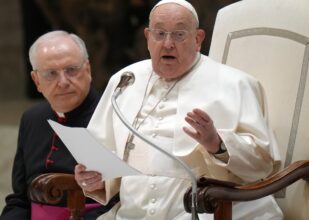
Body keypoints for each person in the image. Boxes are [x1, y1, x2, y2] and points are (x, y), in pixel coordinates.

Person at [75, 0, 284, 219]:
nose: (167, 44)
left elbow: (262, 165)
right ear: (147, 37)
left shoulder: (236, 84)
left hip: (204, 212)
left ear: (198, 39)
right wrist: (95, 178)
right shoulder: (125, 80)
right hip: (131, 213)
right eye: (159, 34)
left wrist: (218, 145)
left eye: (179, 34)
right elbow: (101, 157)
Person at [0, 30, 114, 220]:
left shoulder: (112, 116)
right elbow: (20, 198)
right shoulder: (32, 119)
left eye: (71, 70)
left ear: (88, 69)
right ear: (36, 81)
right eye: (51, 74)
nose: (63, 82)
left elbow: (122, 198)